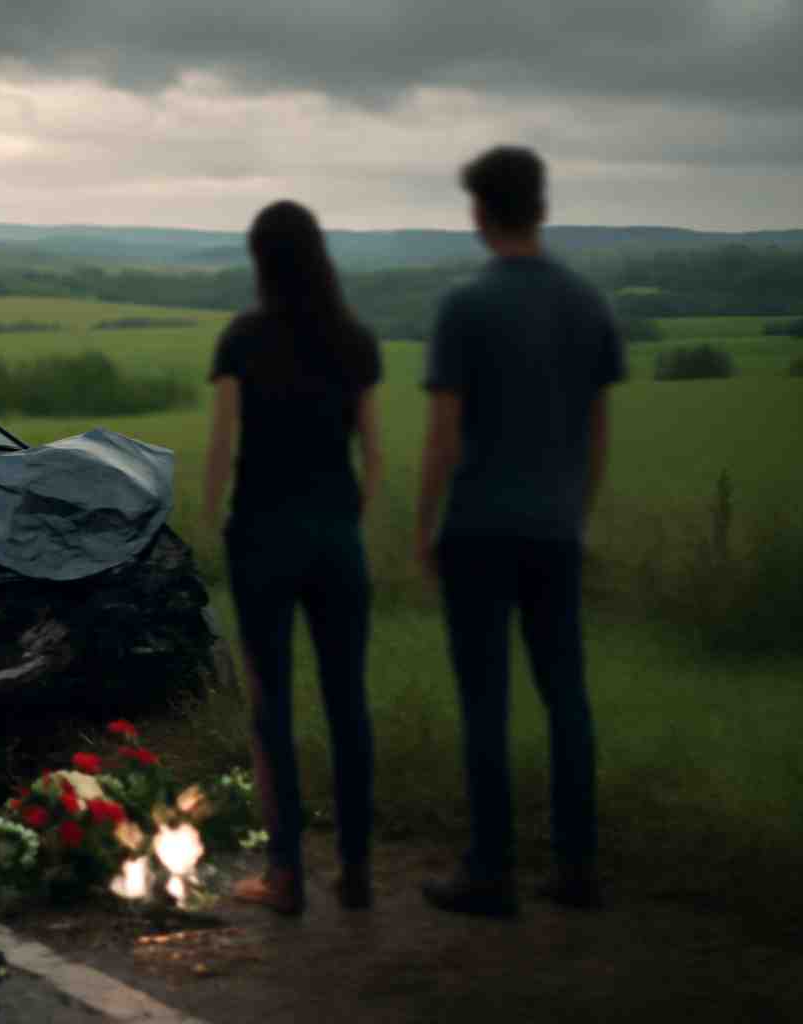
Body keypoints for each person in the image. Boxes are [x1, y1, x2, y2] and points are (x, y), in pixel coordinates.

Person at [416, 146, 623, 917]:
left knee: (486, 702)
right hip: (555, 530)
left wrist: (425, 523)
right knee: (567, 694)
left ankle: (490, 872)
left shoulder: (465, 305)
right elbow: (597, 430)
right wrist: (576, 512)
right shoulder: (587, 303)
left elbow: (444, 432)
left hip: (477, 528)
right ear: (542, 205)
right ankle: (577, 866)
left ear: (479, 212)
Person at [203, 200, 383, 914]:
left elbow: (223, 446)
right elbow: (374, 454)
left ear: (261, 262)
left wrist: (212, 520)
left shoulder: (242, 340)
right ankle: (357, 868)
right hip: (336, 538)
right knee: (348, 703)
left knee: (271, 706)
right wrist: (346, 523)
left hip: (261, 537)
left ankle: (285, 876)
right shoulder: (354, 340)